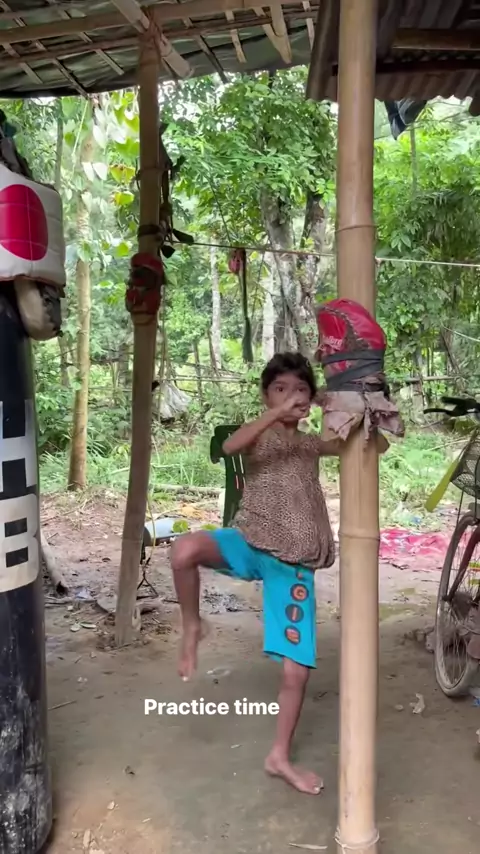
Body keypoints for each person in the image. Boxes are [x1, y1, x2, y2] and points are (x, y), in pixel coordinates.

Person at [170, 352, 342, 796]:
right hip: (249, 541)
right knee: (184, 549)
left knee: (296, 673)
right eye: (280, 389)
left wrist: (338, 403)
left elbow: (358, 446)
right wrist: (276, 413)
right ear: (266, 395)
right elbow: (229, 446)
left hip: (291, 562)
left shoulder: (311, 443)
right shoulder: (259, 435)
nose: (290, 397)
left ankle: (278, 757)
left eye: (300, 390)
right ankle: (192, 625)